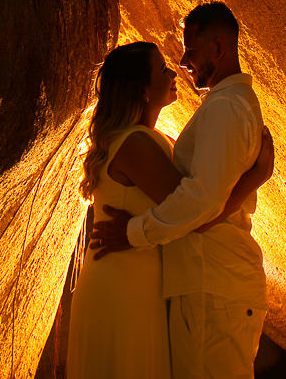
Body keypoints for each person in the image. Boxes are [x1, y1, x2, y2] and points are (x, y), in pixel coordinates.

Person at [67, 38, 273, 379]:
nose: (172, 71)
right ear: (144, 90)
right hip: (125, 284)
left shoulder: (144, 139)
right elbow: (197, 214)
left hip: (133, 279)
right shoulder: (136, 143)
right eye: (161, 69)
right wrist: (254, 179)